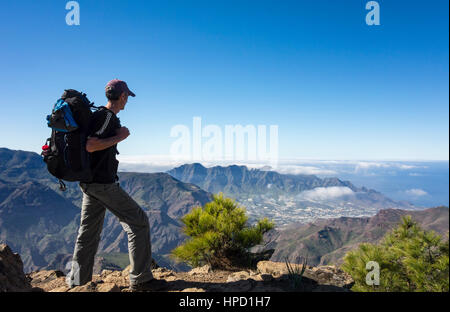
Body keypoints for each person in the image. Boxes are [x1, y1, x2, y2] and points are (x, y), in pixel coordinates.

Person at [66, 79, 166, 291]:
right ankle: (142, 280)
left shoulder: (98, 116)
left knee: (86, 235)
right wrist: (120, 136)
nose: (127, 100)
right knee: (139, 222)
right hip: (102, 185)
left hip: (90, 184)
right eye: (127, 97)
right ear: (122, 96)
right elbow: (91, 145)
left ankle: (76, 283)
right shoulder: (107, 117)